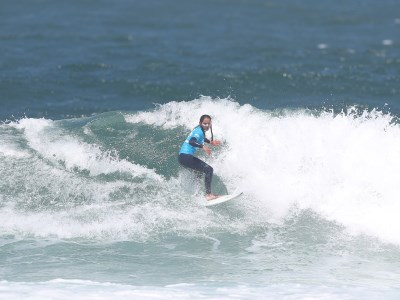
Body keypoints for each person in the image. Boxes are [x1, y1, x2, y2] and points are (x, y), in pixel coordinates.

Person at [178, 115, 221, 200]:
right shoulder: (199, 132)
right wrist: (203, 147)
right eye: (205, 123)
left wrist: (210, 142)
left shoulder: (198, 129)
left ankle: (195, 193)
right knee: (209, 169)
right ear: (200, 123)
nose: (207, 125)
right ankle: (208, 194)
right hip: (186, 156)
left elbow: (201, 138)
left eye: (208, 123)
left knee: (199, 172)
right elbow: (192, 141)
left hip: (182, 157)